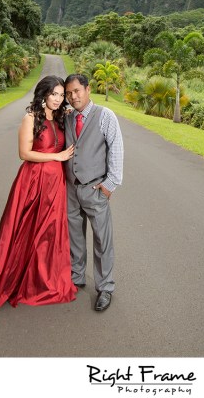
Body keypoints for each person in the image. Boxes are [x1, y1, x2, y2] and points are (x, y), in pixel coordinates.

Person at [0, 75, 76, 314]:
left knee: (50, 232)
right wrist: (56, 156)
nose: (58, 99)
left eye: (61, 95)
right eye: (54, 94)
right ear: (44, 94)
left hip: (55, 183)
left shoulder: (60, 117)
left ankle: (44, 280)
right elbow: (24, 153)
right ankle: (22, 281)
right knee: (28, 231)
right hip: (34, 181)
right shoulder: (30, 118)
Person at [63, 73, 123, 312]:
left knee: (102, 240)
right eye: (69, 93)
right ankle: (76, 277)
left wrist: (110, 185)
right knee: (74, 237)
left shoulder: (105, 116)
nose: (73, 96)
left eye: (77, 91)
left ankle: (105, 287)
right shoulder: (67, 117)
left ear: (88, 90)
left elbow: (116, 149)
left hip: (95, 189)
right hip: (71, 189)